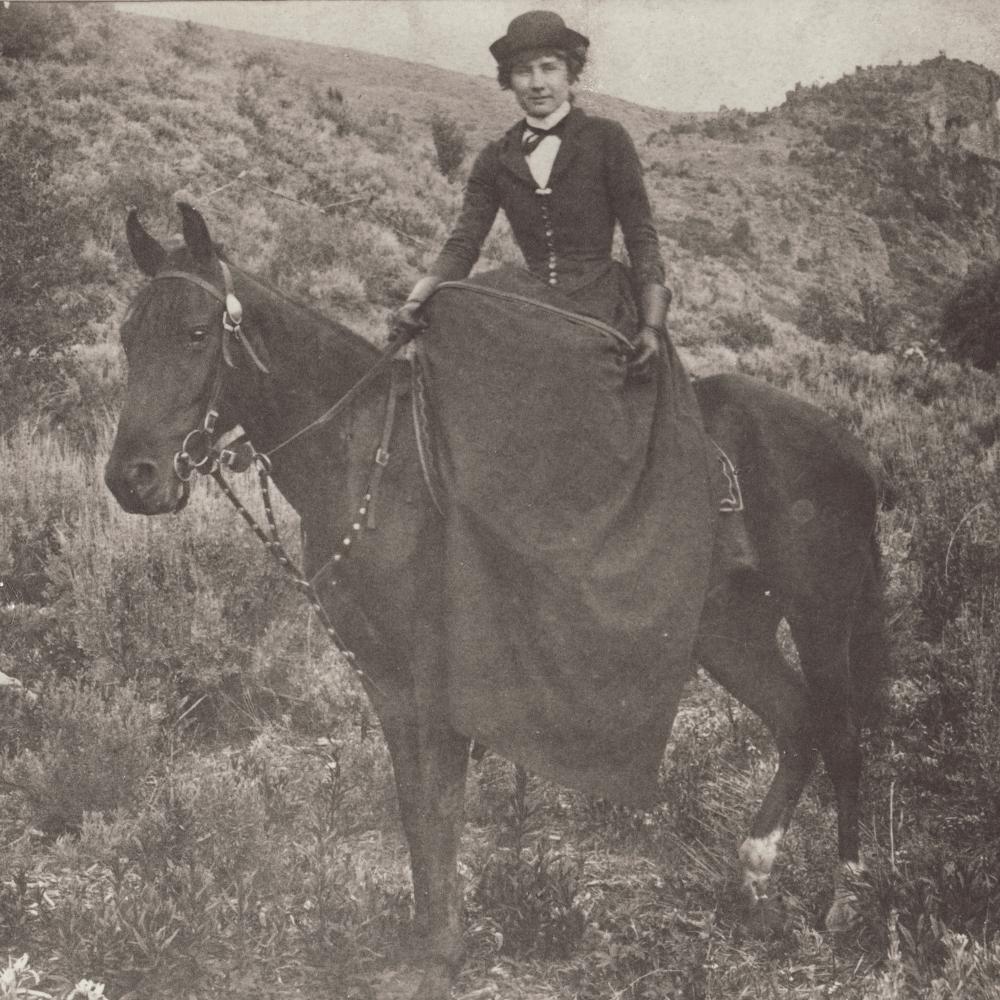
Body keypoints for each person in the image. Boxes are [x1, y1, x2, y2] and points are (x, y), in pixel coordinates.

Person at [393, 9, 670, 378]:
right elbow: (464, 243)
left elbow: (641, 234)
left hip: (603, 304)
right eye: (523, 70)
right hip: (531, 302)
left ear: (570, 72)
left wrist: (651, 325)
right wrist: (417, 298)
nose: (537, 82)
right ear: (509, 79)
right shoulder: (495, 158)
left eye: (549, 67)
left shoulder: (608, 139)